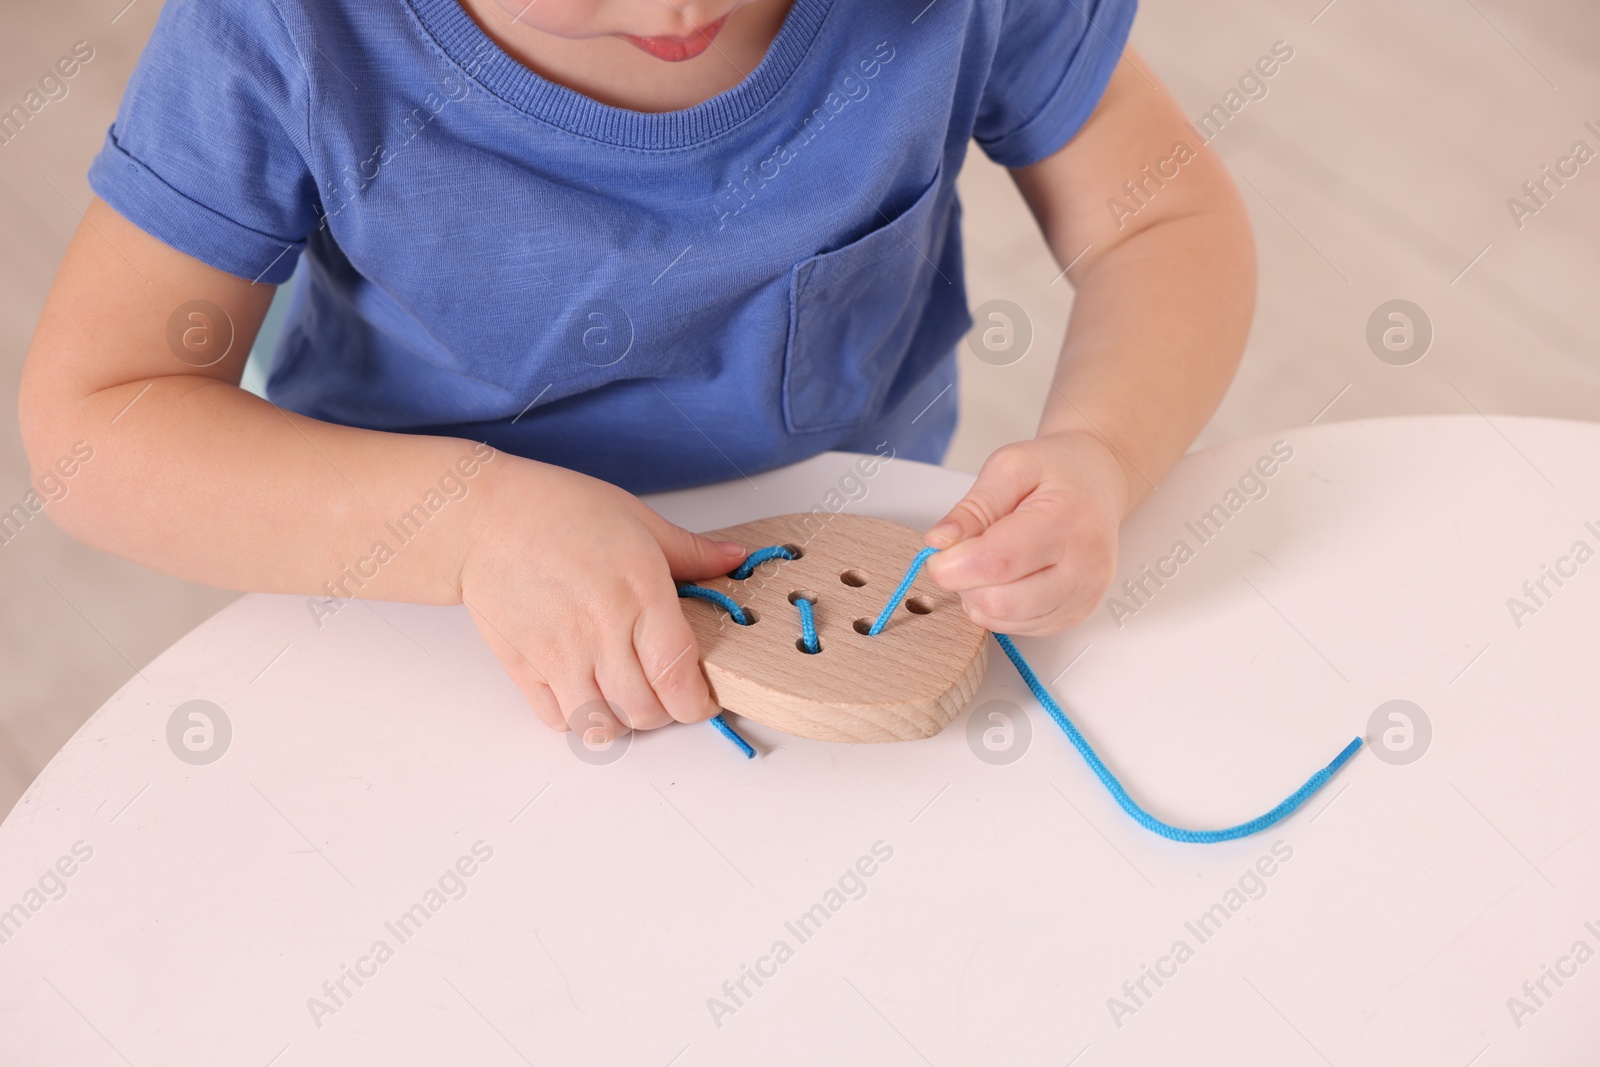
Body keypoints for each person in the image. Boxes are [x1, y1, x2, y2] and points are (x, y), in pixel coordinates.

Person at [19, 0, 1254, 742]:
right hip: (419, 617)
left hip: (841, 628)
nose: (677, 10)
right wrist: (468, 527)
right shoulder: (288, 32)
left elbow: (1157, 226)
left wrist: (1099, 450)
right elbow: (96, 420)